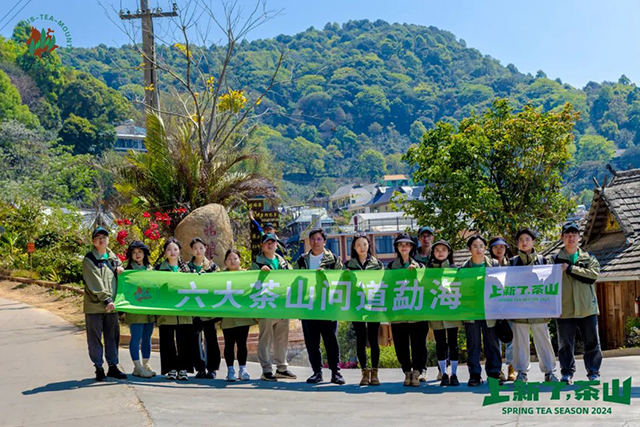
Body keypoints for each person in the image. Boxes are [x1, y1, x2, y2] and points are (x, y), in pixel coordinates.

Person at [553, 222, 602, 384]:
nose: (571, 237)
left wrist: (570, 269)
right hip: (564, 309)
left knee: (592, 342)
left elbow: (592, 275)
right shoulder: (553, 260)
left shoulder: (589, 258)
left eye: (574, 234)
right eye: (567, 234)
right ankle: (566, 373)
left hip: (587, 308)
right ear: (562, 238)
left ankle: (593, 372)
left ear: (579, 237)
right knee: (565, 344)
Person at [295, 227, 345, 385]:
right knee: (312, 342)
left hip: (328, 306)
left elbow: (342, 279)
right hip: (309, 307)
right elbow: (293, 279)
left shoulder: (333, 259)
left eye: (318, 239)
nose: (315, 242)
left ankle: (335, 372)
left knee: (331, 340)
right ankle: (317, 372)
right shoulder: (302, 260)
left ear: (324, 241)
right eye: (312, 239)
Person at [509, 228, 559, 383]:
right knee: (520, 343)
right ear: (517, 244)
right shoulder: (512, 263)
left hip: (539, 309)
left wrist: (551, 307)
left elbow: (551, 286)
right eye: (521, 240)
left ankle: (549, 371)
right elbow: (507, 287)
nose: (524, 242)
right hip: (519, 310)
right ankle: (521, 372)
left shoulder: (544, 261)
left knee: (543, 341)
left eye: (527, 239)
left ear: (533, 242)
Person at [82, 226, 128, 381]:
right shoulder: (89, 259)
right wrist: (107, 299)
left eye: (104, 236)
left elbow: (121, 278)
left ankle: (113, 366)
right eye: (98, 237)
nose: (101, 239)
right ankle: (99, 367)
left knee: (112, 336)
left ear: (108, 239)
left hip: (112, 306)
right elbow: (95, 282)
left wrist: (121, 269)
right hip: (96, 305)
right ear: (93, 241)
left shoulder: (114, 259)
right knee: (94, 337)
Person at [251, 233, 297, 382]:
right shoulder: (257, 263)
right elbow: (249, 283)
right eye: (267, 242)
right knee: (265, 338)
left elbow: (292, 280)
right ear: (262, 246)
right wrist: (259, 274)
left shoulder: (283, 263)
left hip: (282, 306)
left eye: (273, 242)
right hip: (266, 306)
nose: (270, 245)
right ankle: (266, 369)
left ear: (277, 245)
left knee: (281, 338)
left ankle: (281, 368)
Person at [343, 233, 384, 386]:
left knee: (373, 339)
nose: (362, 247)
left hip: (374, 305)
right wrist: (344, 276)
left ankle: (375, 372)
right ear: (354, 247)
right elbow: (342, 285)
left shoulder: (377, 264)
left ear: (369, 246)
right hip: (357, 306)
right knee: (360, 339)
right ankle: (364, 372)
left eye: (365, 244)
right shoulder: (348, 265)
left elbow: (384, 282)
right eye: (358, 245)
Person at [461, 235, 503, 386]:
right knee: (473, 344)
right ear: (469, 249)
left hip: (490, 311)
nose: (478, 249)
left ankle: (494, 374)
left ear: (485, 248)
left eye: (481, 246)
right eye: (474, 246)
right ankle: (474, 374)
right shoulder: (464, 268)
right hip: (471, 312)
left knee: (492, 344)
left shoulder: (495, 265)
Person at [388, 233, 427, 387]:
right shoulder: (391, 267)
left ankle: (417, 372)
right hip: (399, 314)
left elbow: (426, 287)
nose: (404, 247)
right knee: (401, 345)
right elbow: (386, 288)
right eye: (400, 244)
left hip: (417, 313)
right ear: (397, 248)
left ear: (411, 247)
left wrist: (416, 274)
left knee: (419, 345)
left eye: (407, 244)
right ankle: (407, 372)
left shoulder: (421, 266)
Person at [155, 237, 195, 381]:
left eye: (175, 249)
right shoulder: (158, 269)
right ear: (165, 252)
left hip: (184, 311)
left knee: (184, 341)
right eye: (169, 249)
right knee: (167, 341)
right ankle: (170, 368)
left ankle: (183, 369)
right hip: (166, 312)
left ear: (179, 251)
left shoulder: (187, 268)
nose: (172, 252)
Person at [427, 239, 461, 387]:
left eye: (444, 250)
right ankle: (443, 373)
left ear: (449, 252)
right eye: (437, 250)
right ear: (433, 253)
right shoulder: (427, 272)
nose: (440, 253)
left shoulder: (456, 270)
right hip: (435, 312)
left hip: (452, 311)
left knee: (453, 343)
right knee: (440, 343)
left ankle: (454, 374)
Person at [187, 237, 221, 379]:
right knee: (195, 340)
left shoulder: (213, 267)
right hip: (194, 310)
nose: (198, 250)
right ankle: (200, 368)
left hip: (209, 309)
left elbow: (218, 284)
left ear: (205, 248)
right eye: (195, 248)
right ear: (191, 250)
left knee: (211, 339)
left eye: (201, 247)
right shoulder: (186, 268)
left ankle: (212, 368)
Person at [220, 249, 257, 381]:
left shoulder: (246, 275)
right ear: (225, 261)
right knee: (228, 344)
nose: (232, 261)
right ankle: (230, 370)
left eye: (235, 258)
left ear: (240, 260)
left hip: (242, 316)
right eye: (229, 259)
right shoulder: (219, 276)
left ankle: (243, 369)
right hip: (227, 316)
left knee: (242, 343)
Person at [124, 240, 156, 378]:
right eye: (134, 252)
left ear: (145, 253)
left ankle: (146, 364)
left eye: (140, 252)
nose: (137, 255)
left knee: (147, 337)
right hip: (135, 308)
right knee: (136, 337)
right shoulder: (128, 271)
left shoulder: (151, 269)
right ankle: (137, 366)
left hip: (149, 308)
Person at [488, 236, 515, 382]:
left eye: (502, 247)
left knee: (511, 340)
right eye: (496, 247)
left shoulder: (512, 264)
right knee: (494, 341)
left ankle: (511, 367)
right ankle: (498, 369)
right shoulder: (486, 266)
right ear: (491, 249)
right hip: (492, 307)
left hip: (510, 306)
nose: (499, 249)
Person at [414, 226, 434, 381]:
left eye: (429, 236)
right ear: (419, 238)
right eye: (423, 236)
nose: (426, 239)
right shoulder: (413, 256)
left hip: (436, 300)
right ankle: (421, 369)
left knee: (441, 337)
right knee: (420, 338)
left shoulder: (439, 254)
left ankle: (444, 369)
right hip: (418, 301)